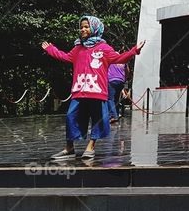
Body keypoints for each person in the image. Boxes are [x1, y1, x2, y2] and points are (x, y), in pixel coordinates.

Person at [41, 15, 144, 160]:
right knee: (71, 116)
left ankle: (91, 146)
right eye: (81, 27)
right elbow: (64, 57)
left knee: (98, 119)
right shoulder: (78, 49)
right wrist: (51, 49)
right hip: (79, 91)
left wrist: (134, 50)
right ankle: (69, 148)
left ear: (95, 28)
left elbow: (120, 58)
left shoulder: (104, 48)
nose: (83, 29)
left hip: (97, 91)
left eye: (86, 26)